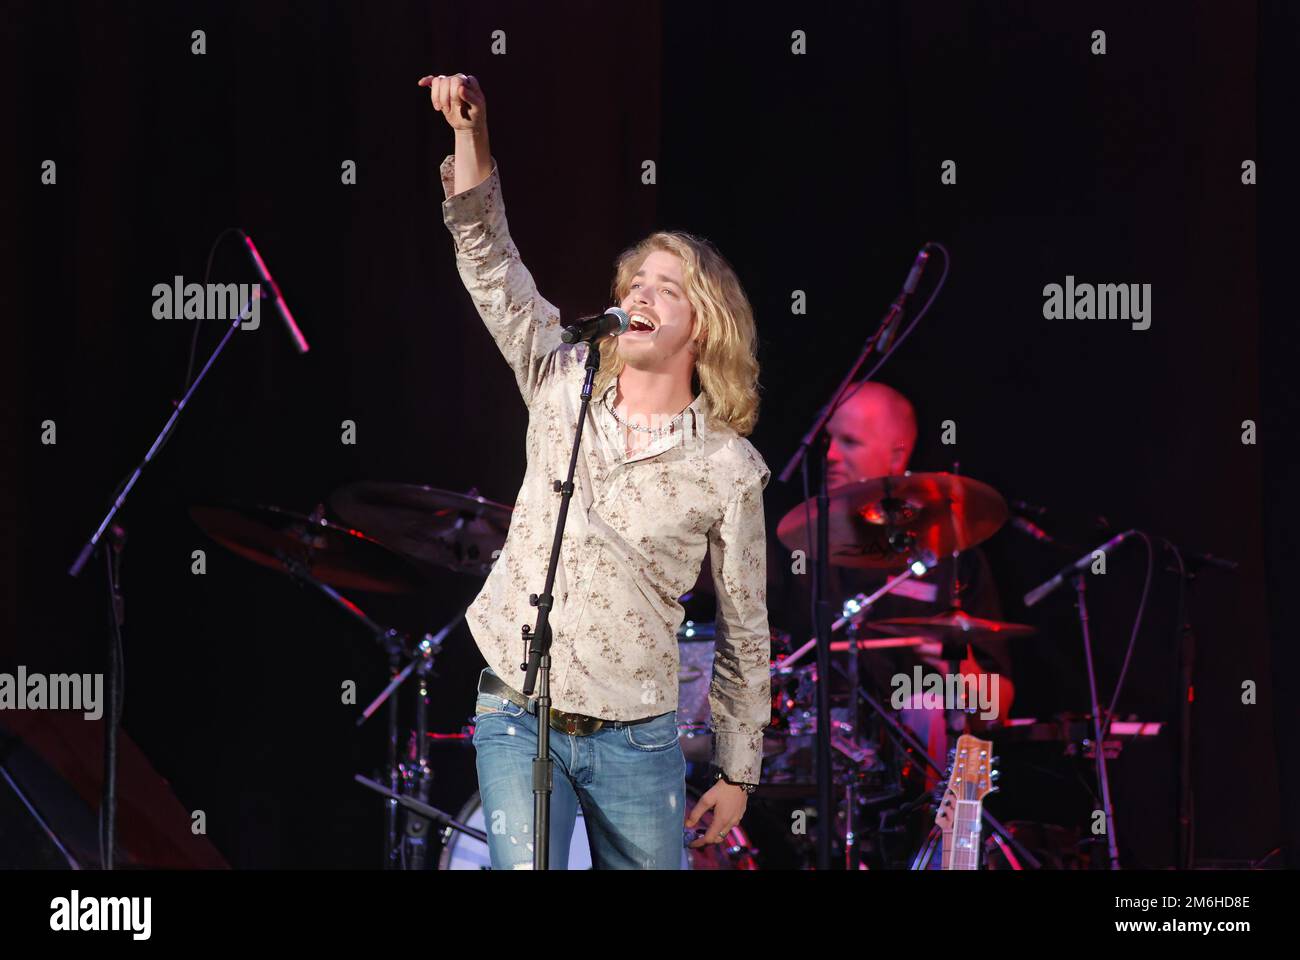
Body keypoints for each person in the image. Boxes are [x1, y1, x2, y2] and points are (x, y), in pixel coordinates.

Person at [420, 72, 772, 869]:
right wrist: (470, 136)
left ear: (704, 326)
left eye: (667, 288)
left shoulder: (728, 466)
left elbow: (746, 631)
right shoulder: (560, 377)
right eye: (634, 282)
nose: (641, 293)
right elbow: (488, 259)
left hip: (637, 739)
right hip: (518, 710)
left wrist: (738, 772)